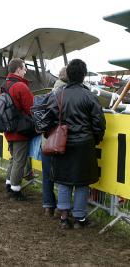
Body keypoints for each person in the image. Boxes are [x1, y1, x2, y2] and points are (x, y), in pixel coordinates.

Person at [45, 59, 105, 229]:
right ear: (83, 75)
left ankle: (64, 218)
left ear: (68, 75)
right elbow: (99, 122)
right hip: (85, 144)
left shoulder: (58, 94)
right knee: (82, 182)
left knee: (64, 181)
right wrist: (96, 139)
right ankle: (80, 218)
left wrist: (51, 135)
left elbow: (48, 120)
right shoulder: (90, 96)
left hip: (62, 145)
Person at [2, 58, 34, 201]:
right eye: (24, 68)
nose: (26, 70)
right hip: (20, 130)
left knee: (13, 159)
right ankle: (15, 190)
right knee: (19, 161)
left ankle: (9, 184)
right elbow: (31, 108)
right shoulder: (20, 86)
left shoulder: (4, 86)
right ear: (18, 69)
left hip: (8, 128)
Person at [42, 66, 69, 217]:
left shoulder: (50, 94)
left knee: (47, 175)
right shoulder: (66, 95)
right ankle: (62, 207)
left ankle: (48, 206)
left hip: (47, 141)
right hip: (61, 140)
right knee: (63, 175)